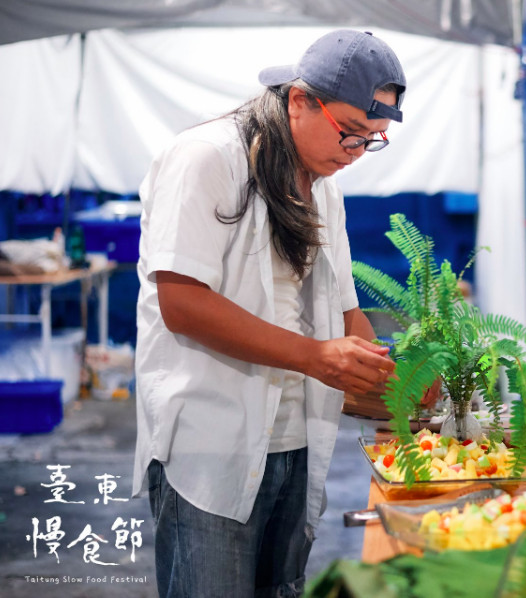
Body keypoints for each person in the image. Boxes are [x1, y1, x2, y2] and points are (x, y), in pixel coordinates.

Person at [131, 30, 406, 598]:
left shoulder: (323, 181)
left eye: (371, 141)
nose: (354, 153)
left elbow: (343, 303)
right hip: (211, 441)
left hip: (295, 439)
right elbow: (182, 304)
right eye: (350, 133)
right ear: (300, 99)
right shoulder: (208, 157)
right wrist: (316, 357)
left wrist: (386, 382)